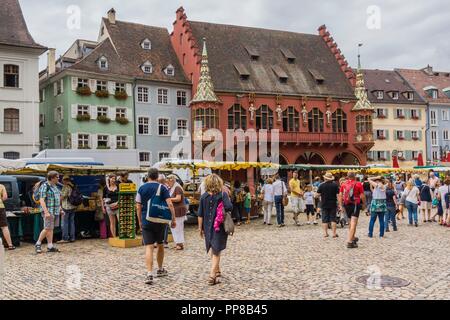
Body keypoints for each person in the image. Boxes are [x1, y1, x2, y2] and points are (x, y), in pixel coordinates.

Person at [136, 168, 176, 285]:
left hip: (146, 219)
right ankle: (160, 269)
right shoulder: (162, 187)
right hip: (160, 219)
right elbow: (169, 204)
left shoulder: (141, 188)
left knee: (149, 246)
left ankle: (149, 273)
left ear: (148, 176)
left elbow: (138, 206)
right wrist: (172, 219)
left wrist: (139, 221)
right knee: (160, 245)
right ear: (157, 176)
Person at [198, 174, 233, 286]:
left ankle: (216, 271)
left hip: (207, 227)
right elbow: (229, 207)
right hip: (219, 227)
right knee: (216, 251)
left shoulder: (203, 196)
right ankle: (212, 275)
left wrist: (200, 228)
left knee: (214, 249)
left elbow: (200, 214)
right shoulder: (223, 195)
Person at [35, 171, 62, 254]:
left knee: (50, 229)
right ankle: (38, 243)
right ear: (52, 178)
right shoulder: (45, 186)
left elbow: (57, 199)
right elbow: (41, 200)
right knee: (47, 228)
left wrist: (60, 209)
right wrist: (46, 212)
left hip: (55, 211)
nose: (59, 178)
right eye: (57, 177)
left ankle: (50, 246)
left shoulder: (55, 186)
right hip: (49, 211)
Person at [339, 172, 365, 249]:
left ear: (347, 177)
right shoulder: (358, 184)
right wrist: (364, 204)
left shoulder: (343, 184)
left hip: (346, 204)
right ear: (355, 176)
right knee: (354, 223)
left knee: (350, 222)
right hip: (355, 204)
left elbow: (340, 195)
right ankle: (349, 241)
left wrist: (340, 205)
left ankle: (352, 237)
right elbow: (362, 195)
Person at [167, 175, 187, 250]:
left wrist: (169, 199)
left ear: (172, 180)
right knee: (174, 227)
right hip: (174, 210)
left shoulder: (177, 187)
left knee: (178, 227)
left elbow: (178, 198)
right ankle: (178, 243)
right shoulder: (171, 188)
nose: (167, 183)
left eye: (168, 181)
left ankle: (179, 243)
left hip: (178, 210)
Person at [317, 172, 339, 238]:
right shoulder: (335, 185)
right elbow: (338, 195)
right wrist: (339, 204)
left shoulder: (321, 185)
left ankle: (325, 233)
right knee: (333, 219)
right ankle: (334, 233)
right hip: (333, 204)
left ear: (325, 178)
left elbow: (317, 195)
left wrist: (319, 197)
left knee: (325, 219)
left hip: (324, 204)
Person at [59, 176, 77, 243]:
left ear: (65, 180)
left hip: (66, 206)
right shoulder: (74, 186)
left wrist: (58, 202)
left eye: (62, 180)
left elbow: (62, 197)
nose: (62, 181)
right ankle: (72, 237)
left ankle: (65, 238)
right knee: (72, 222)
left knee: (64, 223)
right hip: (73, 206)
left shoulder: (66, 186)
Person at [0, 183, 15, 250]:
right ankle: (10, 245)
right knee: (4, 227)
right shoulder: (1, 186)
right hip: (0, 207)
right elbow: (5, 197)